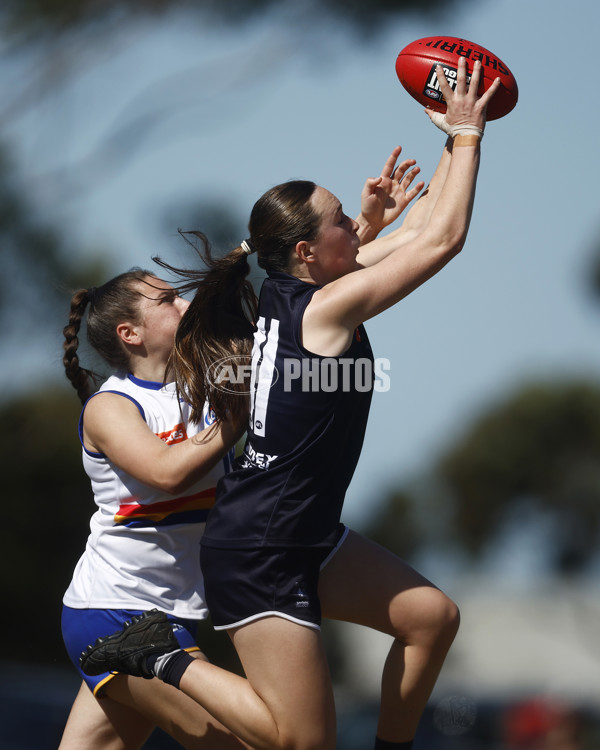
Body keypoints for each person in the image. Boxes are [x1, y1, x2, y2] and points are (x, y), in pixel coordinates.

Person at [81, 59, 500, 750]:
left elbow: (421, 225)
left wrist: (450, 139)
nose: (356, 225)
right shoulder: (328, 308)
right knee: (301, 743)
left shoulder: (306, 290)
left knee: (431, 617)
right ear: (307, 251)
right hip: (262, 546)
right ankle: (158, 655)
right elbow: (443, 239)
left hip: (300, 531)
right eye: (341, 220)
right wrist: (468, 135)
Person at [59, 270, 248, 750]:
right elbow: (166, 472)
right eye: (167, 300)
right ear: (131, 334)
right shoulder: (111, 407)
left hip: (166, 614)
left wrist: (361, 236)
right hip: (118, 616)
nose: (185, 304)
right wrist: (236, 415)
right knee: (249, 741)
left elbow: (302, 319)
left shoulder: (208, 378)